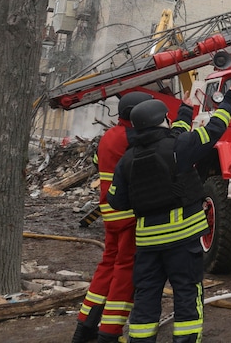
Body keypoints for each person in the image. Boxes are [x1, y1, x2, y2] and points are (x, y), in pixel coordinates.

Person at [107, 90, 231, 343]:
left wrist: (185, 111)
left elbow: (116, 201)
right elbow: (214, 129)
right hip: (183, 241)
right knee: (187, 294)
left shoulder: (126, 161)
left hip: (147, 245)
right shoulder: (179, 148)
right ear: (162, 121)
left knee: (146, 297)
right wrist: (228, 102)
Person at [71, 91, 152, 343]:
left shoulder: (108, 136)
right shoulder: (134, 139)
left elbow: (98, 162)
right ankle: (110, 332)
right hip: (129, 215)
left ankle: (85, 324)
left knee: (108, 264)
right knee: (125, 270)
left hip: (109, 212)